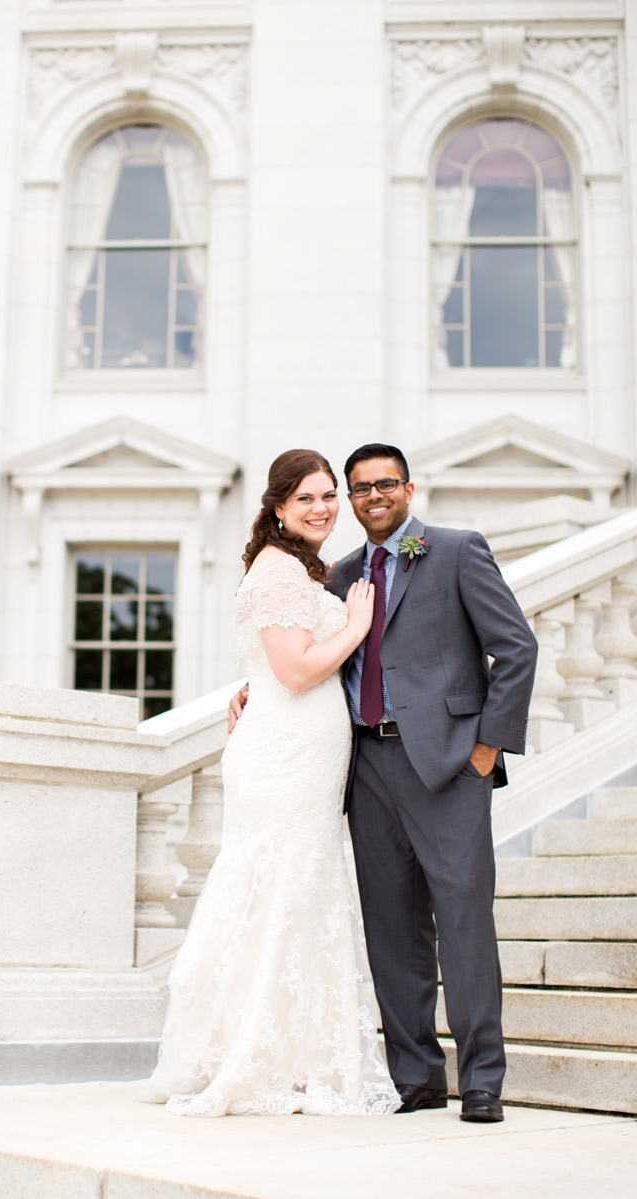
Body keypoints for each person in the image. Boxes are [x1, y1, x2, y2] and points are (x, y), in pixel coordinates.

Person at [219, 444, 537, 1124]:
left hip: (450, 766)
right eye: (357, 487)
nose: (369, 496)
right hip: (366, 768)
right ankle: (416, 1075)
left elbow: (516, 648)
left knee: (463, 922)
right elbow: (307, 655)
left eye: (383, 483)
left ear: (408, 488)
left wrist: (486, 747)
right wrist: (254, 689)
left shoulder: (455, 550)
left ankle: (482, 1078)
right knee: (392, 931)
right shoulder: (337, 574)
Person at [142, 449, 399, 1116]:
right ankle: (258, 1053)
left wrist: (253, 683)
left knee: (289, 888)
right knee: (282, 885)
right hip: (288, 752)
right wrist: (357, 626)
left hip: (295, 746)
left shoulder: (289, 568)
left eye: (327, 496)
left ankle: (287, 1049)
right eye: (305, 497)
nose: (321, 507)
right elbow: (295, 668)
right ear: (279, 506)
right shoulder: (282, 569)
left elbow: (271, 664)